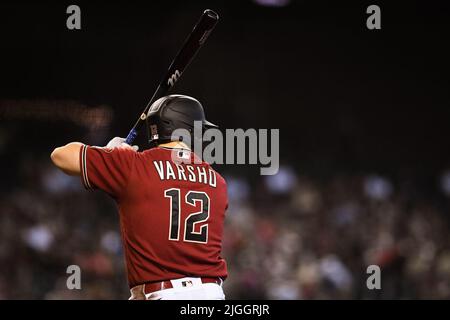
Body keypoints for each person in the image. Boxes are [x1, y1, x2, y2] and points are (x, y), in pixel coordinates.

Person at [51, 95, 228, 300]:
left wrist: (108, 152)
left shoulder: (133, 165)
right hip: (211, 293)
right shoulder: (217, 182)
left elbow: (60, 156)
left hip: (163, 292)